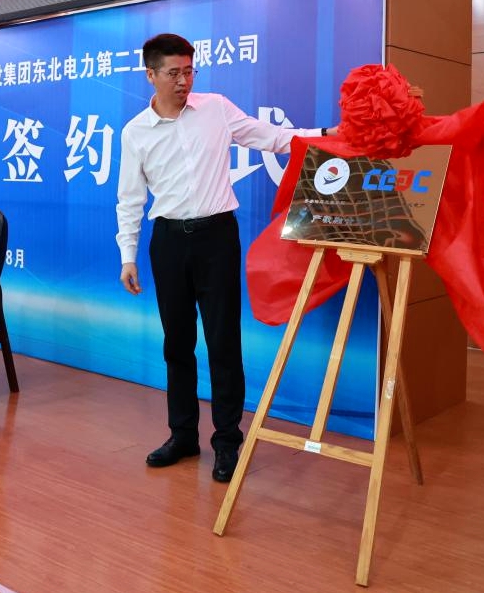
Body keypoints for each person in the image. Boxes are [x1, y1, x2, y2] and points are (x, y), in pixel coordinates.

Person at [115, 32, 336, 483]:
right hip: (168, 242)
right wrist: (128, 255)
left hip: (217, 238)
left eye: (189, 71)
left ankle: (227, 441)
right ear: (151, 75)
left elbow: (274, 139)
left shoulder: (215, 108)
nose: (183, 81)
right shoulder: (135, 132)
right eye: (173, 73)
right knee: (177, 343)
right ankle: (182, 436)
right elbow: (130, 199)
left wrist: (328, 136)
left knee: (223, 341)